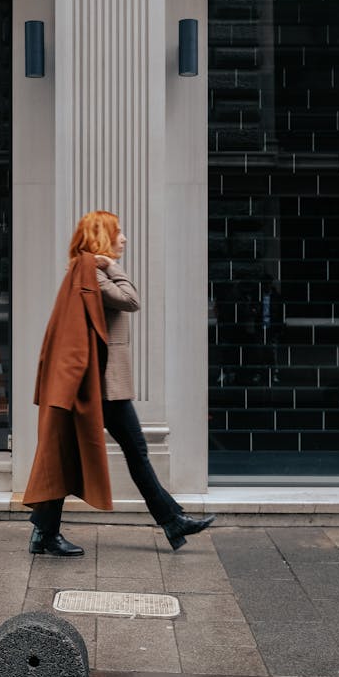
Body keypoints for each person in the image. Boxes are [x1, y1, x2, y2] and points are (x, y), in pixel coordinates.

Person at [23, 210, 215, 556]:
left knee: (73, 450)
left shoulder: (84, 272)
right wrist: (111, 265)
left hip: (101, 383)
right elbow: (131, 300)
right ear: (102, 238)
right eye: (119, 232)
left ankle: (45, 534)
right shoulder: (93, 274)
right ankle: (172, 520)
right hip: (103, 386)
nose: (124, 239)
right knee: (131, 452)